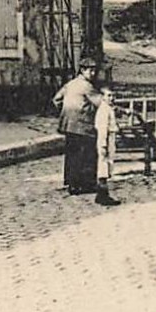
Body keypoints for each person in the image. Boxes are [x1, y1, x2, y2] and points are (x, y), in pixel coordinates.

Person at [53, 59, 102, 195]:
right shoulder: (87, 86)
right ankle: (86, 184)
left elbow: (56, 99)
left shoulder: (70, 84)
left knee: (72, 153)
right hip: (83, 125)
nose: (92, 73)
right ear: (82, 70)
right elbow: (101, 103)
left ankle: (71, 183)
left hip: (68, 124)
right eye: (89, 70)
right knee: (87, 153)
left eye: (94, 70)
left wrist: (65, 112)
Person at [92, 81, 123, 207]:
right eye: (109, 95)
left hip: (110, 138)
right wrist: (103, 145)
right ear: (102, 97)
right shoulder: (103, 110)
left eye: (113, 95)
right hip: (105, 139)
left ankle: (102, 193)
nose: (112, 98)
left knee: (107, 166)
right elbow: (102, 129)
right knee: (103, 167)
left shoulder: (109, 108)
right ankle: (102, 194)